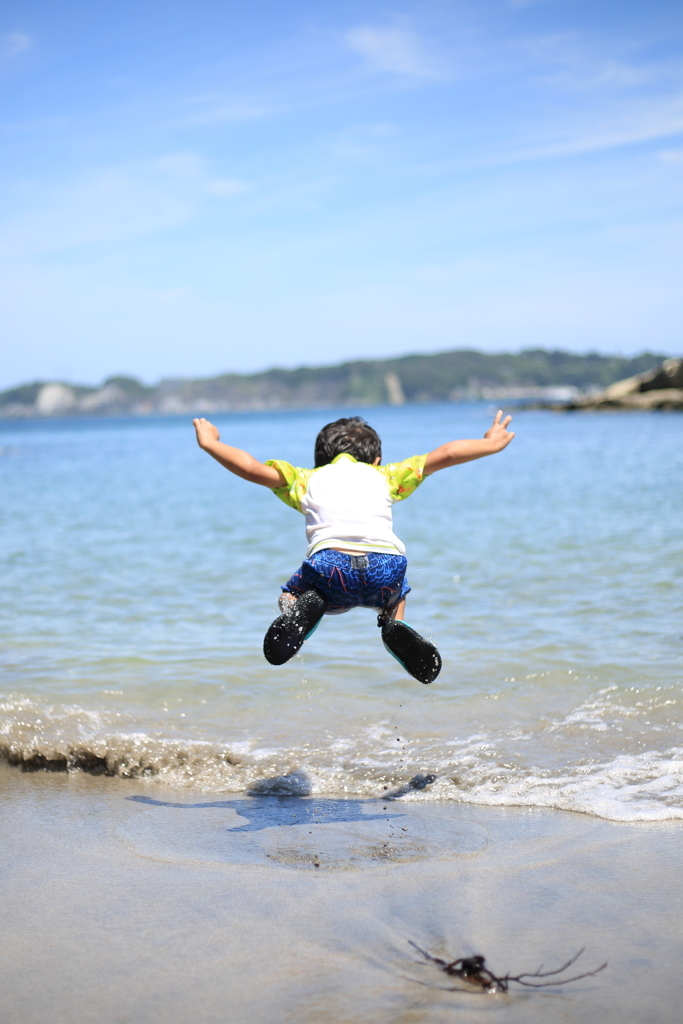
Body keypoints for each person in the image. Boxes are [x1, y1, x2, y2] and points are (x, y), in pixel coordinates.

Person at [192, 411, 514, 684]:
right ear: (375, 459)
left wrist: (211, 443)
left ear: (321, 458)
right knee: (398, 591)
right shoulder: (385, 475)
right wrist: (490, 444)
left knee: (297, 591)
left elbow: (251, 468)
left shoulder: (305, 479)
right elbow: (445, 454)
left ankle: (298, 610)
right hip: (385, 570)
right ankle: (394, 624)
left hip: (330, 569)